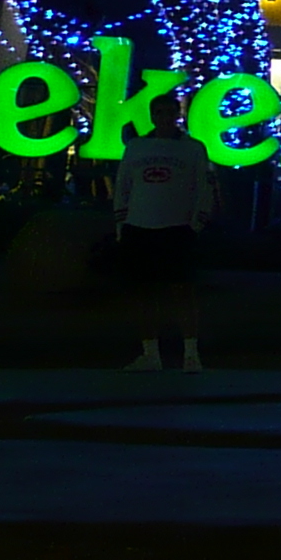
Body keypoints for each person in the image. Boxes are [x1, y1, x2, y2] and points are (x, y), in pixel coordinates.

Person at [114, 114, 212, 370]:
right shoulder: (136, 147)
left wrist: (197, 222)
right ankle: (151, 353)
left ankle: (191, 354)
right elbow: (123, 183)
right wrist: (121, 222)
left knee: (182, 291)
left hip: (177, 228)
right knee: (145, 292)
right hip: (140, 226)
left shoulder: (192, 148)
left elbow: (203, 185)